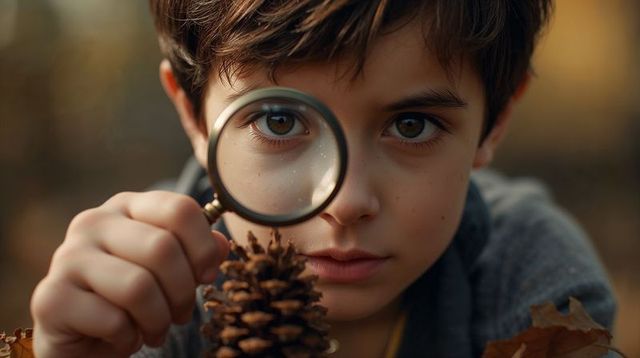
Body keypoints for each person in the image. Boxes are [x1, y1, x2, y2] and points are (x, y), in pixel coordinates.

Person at [30, 1, 616, 357]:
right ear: (193, 116)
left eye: (412, 126)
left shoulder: (537, 287)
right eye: (279, 120)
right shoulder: (139, 303)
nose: (347, 200)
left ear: (494, 125)